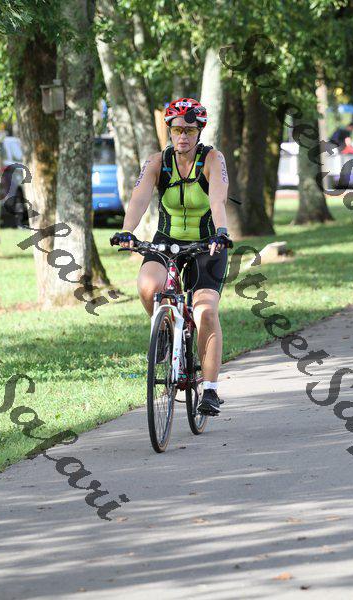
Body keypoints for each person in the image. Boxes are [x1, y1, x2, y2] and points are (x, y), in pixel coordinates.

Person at [117, 98, 233, 416]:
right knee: (147, 286)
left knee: (205, 311)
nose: (183, 136)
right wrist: (127, 231)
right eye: (177, 130)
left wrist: (221, 231)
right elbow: (139, 198)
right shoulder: (158, 162)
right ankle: (166, 333)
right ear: (169, 131)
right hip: (167, 241)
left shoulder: (212, 159)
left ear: (199, 132)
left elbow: (218, 199)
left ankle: (210, 390)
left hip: (208, 244)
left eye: (190, 131)